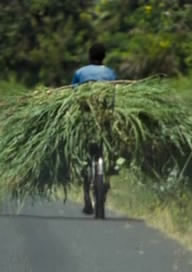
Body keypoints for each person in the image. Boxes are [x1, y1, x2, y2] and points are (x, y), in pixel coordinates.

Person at [73, 43, 116, 215]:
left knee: (83, 154)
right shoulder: (110, 73)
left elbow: (74, 94)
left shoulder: (80, 73)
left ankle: (86, 196)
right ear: (104, 57)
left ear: (89, 57)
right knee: (110, 148)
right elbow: (114, 94)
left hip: (86, 119)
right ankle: (111, 166)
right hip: (105, 119)